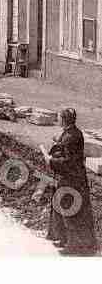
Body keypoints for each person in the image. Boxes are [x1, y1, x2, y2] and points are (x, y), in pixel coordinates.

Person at [41, 108, 98, 256]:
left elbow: (68, 161)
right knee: (62, 208)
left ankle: (73, 246)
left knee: (71, 210)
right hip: (67, 177)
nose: (58, 120)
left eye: (59, 118)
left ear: (64, 120)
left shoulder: (71, 136)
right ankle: (63, 238)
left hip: (72, 179)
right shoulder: (71, 133)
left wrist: (51, 160)